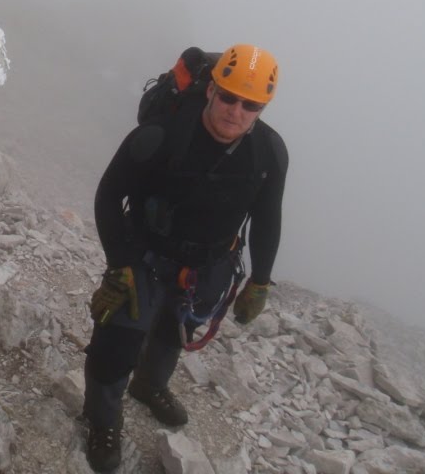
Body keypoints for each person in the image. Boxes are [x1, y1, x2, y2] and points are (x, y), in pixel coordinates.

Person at [83, 44, 288, 472]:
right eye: (229, 97)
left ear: (262, 107)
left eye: (251, 105)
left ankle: (148, 386)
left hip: (209, 265)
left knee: (175, 331)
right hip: (144, 254)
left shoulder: (269, 153)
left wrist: (261, 280)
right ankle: (102, 419)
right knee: (116, 342)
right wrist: (119, 263)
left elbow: (268, 217)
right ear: (212, 89)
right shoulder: (161, 134)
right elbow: (108, 195)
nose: (236, 111)